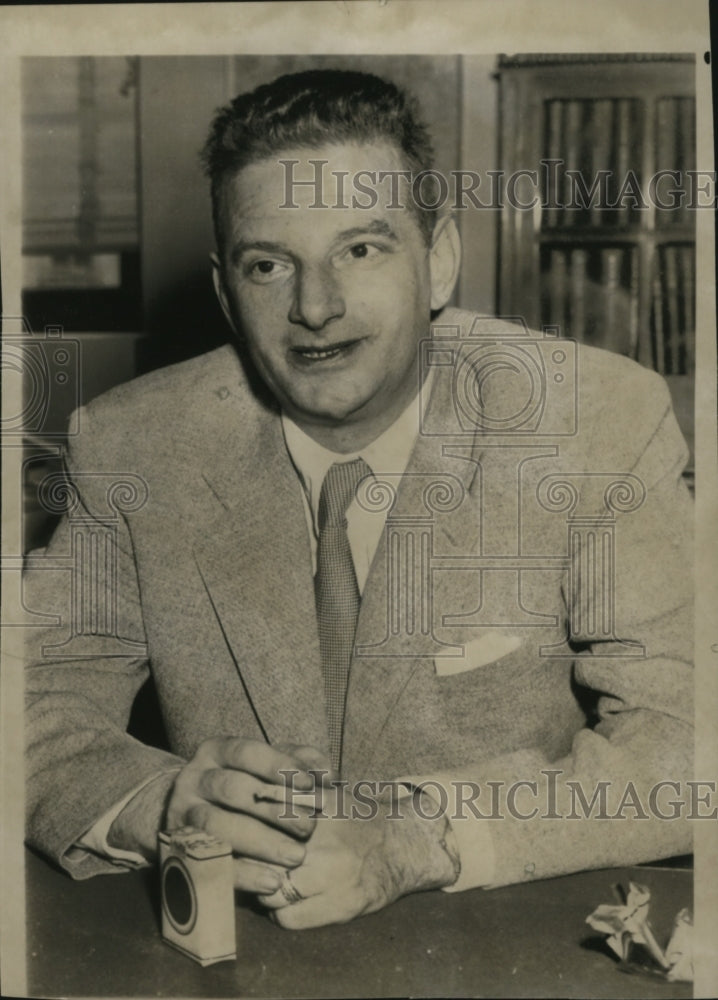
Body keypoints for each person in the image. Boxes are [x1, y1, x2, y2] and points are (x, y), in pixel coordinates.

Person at [24, 69, 693, 930]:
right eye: (271, 264)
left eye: (362, 249)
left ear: (440, 261)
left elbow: (687, 742)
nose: (316, 307)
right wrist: (162, 807)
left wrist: (426, 836)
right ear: (229, 292)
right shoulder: (134, 443)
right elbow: (30, 700)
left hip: (505, 946)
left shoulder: (595, 422)